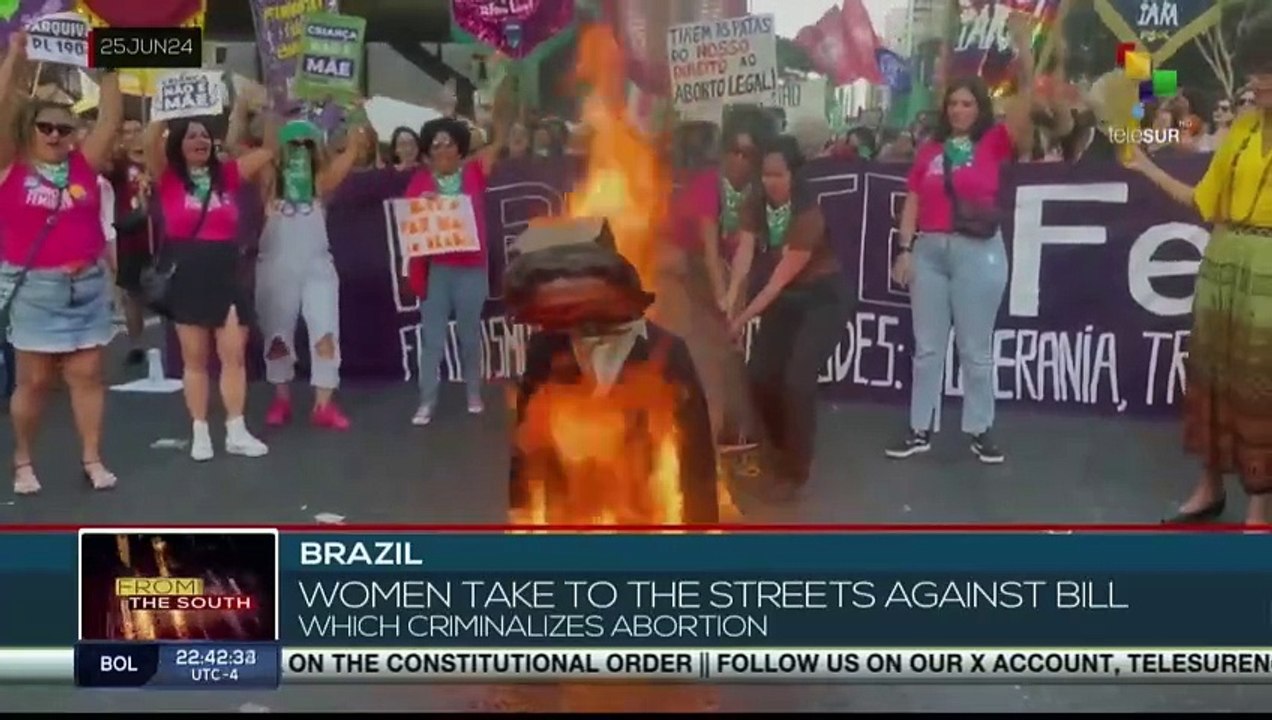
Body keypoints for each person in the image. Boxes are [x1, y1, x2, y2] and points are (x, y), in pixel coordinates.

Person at [1126, 8, 1272, 525]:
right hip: (1222, 258)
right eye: (1256, 71)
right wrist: (1143, 163)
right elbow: (1203, 200)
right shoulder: (1241, 133)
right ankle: (1209, 486)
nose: (1258, 81)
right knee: (1211, 374)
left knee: (1261, 382)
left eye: (1267, 70)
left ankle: (1260, 505)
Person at [886, 13, 1035, 464]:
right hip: (929, 252)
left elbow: (1025, 105)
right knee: (927, 348)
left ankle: (980, 429)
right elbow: (912, 197)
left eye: (968, 104)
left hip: (978, 252)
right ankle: (919, 428)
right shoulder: (929, 150)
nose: (958, 110)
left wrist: (1025, 51)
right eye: (953, 104)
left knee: (976, 349)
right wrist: (905, 249)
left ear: (980, 109)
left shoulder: (994, 143)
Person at [0, 34, 123, 494]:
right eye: (46, 127)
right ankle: (23, 458)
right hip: (35, 287)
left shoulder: (84, 166)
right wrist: (14, 57)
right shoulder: (10, 166)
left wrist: (108, 67)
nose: (55, 135)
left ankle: (92, 458)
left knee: (88, 374)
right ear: (29, 129)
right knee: (33, 381)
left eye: (63, 128)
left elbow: (111, 119)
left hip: (87, 284)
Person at [142, 111, 275, 462]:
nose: (200, 141)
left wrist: (275, 106)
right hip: (188, 273)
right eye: (190, 136)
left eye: (204, 135)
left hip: (227, 272)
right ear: (177, 144)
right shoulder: (168, 177)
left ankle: (236, 429)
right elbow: (147, 141)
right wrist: (164, 109)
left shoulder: (228, 175)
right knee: (195, 359)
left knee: (233, 354)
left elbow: (270, 149)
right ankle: (200, 430)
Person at [728, 136, 851, 501]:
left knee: (797, 381)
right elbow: (744, 259)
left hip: (822, 298)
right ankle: (775, 450)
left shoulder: (808, 213)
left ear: (794, 175)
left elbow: (777, 281)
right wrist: (730, 301)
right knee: (760, 376)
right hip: (784, 298)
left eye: (778, 174)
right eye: (765, 174)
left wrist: (741, 320)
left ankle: (795, 471)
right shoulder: (755, 202)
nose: (770, 182)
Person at [404, 97, 511, 426]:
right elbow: (409, 221)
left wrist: (498, 106)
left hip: (471, 269)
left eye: (447, 143)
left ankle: (473, 392)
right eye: (435, 145)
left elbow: (500, 140)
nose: (441, 149)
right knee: (432, 339)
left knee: (469, 335)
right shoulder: (420, 181)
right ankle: (426, 402)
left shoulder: (475, 172)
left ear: (459, 149)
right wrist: (421, 205)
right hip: (437, 271)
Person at [256, 115, 366, 431]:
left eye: (307, 143)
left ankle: (324, 404)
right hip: (276, 266)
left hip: (317, 267)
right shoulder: (268, 182)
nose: (301, 149)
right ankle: (281, 398)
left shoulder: (321, 183)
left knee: (325, 330)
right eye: (294, 143)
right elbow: (254, 149)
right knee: (277, 335)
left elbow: (351, 153)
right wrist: (267, 107)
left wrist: (353, 111)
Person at [108, 118, 151, 366]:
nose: (134, 135)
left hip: (161, 236)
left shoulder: (158, 160)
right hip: (131, 238)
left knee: (169, 291)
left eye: (138, 130)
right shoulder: (119, 166)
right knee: (132, 295)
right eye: (127, 132)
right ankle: (137, 345)